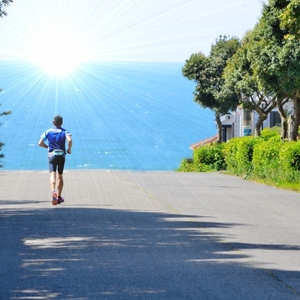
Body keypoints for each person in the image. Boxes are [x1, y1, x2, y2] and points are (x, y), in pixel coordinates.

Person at [38, 115, 72, 205]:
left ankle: (53, 192)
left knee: (52, 174)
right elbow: (70, 140)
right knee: (60, 176)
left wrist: (47, 147)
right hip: (61, 155)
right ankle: (59, 197)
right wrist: (69, 149)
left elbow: (40, 143)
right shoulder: (65, 132)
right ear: (62, 123)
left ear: (53, 123)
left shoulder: (48, 131)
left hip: (52, 155)